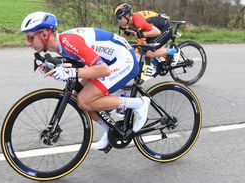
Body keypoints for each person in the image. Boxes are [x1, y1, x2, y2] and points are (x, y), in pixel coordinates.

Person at [21, 11, 150, 150]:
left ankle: (139, 103)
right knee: (78, 96)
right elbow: (82, 62)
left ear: (44, 34)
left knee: (85, 100)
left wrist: (69, 72)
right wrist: (57, 65)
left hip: (124, 60)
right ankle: (109, 130)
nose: (28, 43)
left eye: (30, 38)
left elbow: (103, 70)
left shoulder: (69, 41)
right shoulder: (60, 45)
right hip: (108, 62)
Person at [114, 3, 180, 65]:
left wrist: (143, 34)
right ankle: (158, 65)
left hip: (164, 28)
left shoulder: (138, 21)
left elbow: (157, 32)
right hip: (155, 28)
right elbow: (131, 36)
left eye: (120, 18)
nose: (118, 20)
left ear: (127, 16)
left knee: (150, 53)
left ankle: (175, 51)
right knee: (141, 49)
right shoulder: (129, 22)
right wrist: (125, 33)